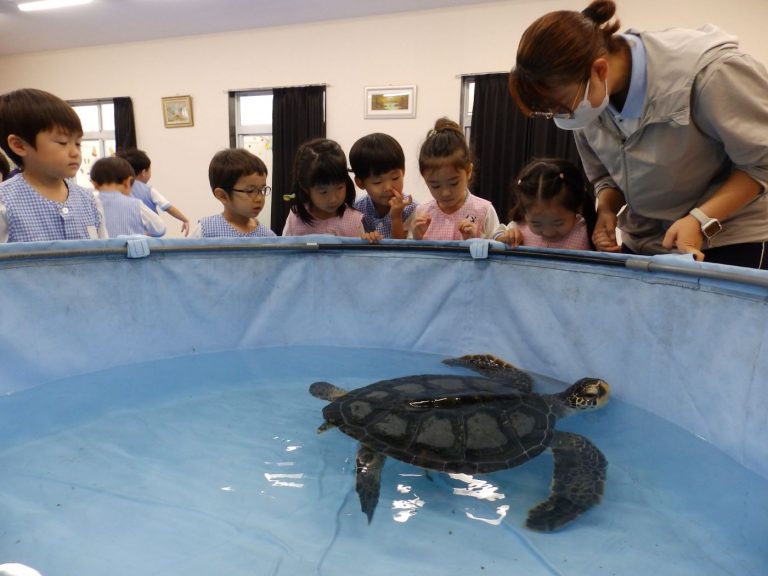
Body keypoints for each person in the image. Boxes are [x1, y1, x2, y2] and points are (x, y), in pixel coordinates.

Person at [508, 0, 768, 269]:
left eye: (563, 106)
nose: (562, 116)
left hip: (726, 240)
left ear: (599, 70)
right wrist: (607, 209)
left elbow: (761, 162)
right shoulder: (587, 101)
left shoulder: (711, 73)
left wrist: (701, 219)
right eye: (550, 111)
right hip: (644, 240)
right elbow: (606, 176)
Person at [0, 88, 108, 243]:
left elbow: (104, 254)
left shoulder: (90, 201)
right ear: (19, 145)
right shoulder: (4, 202)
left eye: (78, 143)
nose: (75, 152)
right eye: (62, 142)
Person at [411, 118, 500, 240]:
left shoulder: (484, 211)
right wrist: (417, 237)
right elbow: (412, 256)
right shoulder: (422, 212)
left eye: (453, 183)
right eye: (435, 186)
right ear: (425, 179)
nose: (445, 193)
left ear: (468, 171)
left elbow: (497, 253)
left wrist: (475, 241)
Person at [494, 158, 595, 250]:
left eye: (558, 223)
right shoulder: (520, 228)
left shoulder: (587, 232)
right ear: (524, 212)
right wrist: (505, 237)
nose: (548, 232)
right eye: (536, 224)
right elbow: (496, 236)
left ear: (577, 207)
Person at [282, 138, 365, 237]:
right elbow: (286, 251)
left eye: (339, 187)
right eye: (323, 192)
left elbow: (360, 252)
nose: (333, 199)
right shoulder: (295, 219)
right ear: (305, 188)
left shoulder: (354, 220)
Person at [192, 148, 276, 238]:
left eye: (263, 190)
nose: (260, 198)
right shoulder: (204, 231)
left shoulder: (268, 236)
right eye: (250, 191)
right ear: (222, 196)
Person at [349, 132, 417, 241]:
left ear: (403, 172)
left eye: (395, 178)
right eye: (377, 182)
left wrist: (396, 218)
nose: (388, 188)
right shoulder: (356, 209)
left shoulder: (412, 208)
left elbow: (404, 250)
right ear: (360, 183)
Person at [116, 148, 191, 236]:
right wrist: (184, 219)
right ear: (144, 172)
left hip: (128, 233)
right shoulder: (148, 190)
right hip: (150, 235)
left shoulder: (119, 189)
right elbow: (168, 207)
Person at [90, 156, 166, 238]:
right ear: (128, 182)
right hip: (132, 250)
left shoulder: (90, 205)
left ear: (94, 184)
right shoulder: (136, 205)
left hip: (102, 250)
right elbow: (160, 229)